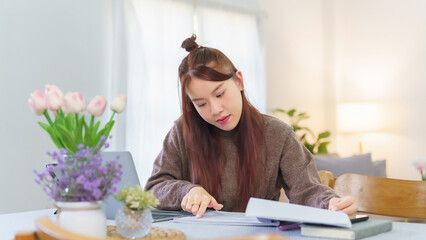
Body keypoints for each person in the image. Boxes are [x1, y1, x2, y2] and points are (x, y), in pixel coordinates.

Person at [145, 35, 358, 218]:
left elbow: (308, 190)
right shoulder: (183, 131)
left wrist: (332, 205)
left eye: (220, 94)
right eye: (201, 104)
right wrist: (187, 192)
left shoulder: (277, 134)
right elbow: (154, 188)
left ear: (239, 81)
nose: (215, 109)